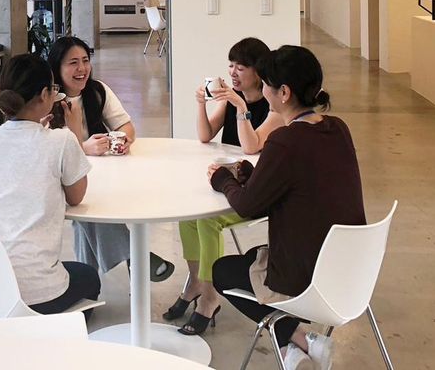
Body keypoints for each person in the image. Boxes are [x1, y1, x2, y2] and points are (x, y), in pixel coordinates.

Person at [210, 45, 366, 370]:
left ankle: (299, 339)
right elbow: (300, 184)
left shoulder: (285, 141)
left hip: (309, 276)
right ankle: (295, 350)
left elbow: (247, 206)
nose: (263, 90)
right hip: (352, 268)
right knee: (251, 258)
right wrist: (253, 174)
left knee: (224, 270)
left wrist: (222, 180)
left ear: (283, 92)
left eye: (267, 84)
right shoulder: (338, 128)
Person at [165, 37, 285, 336]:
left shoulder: (273, 106)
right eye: (230, 65)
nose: (232, 72)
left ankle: (210, 298)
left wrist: (241, 107)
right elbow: (205, 135)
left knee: (207, 221)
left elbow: (251, 146)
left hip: (256, 191)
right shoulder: (233, 98)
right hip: (229, 184)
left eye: (240, 67)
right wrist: (201, 104)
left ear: (258, 71)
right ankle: (196, 283)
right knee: (188, 215)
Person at [0, 53, 101, 314]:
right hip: (37, 291)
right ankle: (45, 329)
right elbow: (76, 196)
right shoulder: (60, 141)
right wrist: (72, 132)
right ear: (44, 95)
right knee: (88, 277)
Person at [48, 36, 174, 281]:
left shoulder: (97, 91)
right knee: (88, 205)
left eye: (85, 60)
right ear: (57, 68)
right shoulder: (47, 102)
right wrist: (83, 148)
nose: (82, 69)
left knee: (87, 215)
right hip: (63, 178)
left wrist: (123, 140)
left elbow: (126, 127)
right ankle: (135, 256)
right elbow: (51, 151)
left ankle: (89, 284)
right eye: (73, 63)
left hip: (97, 175)